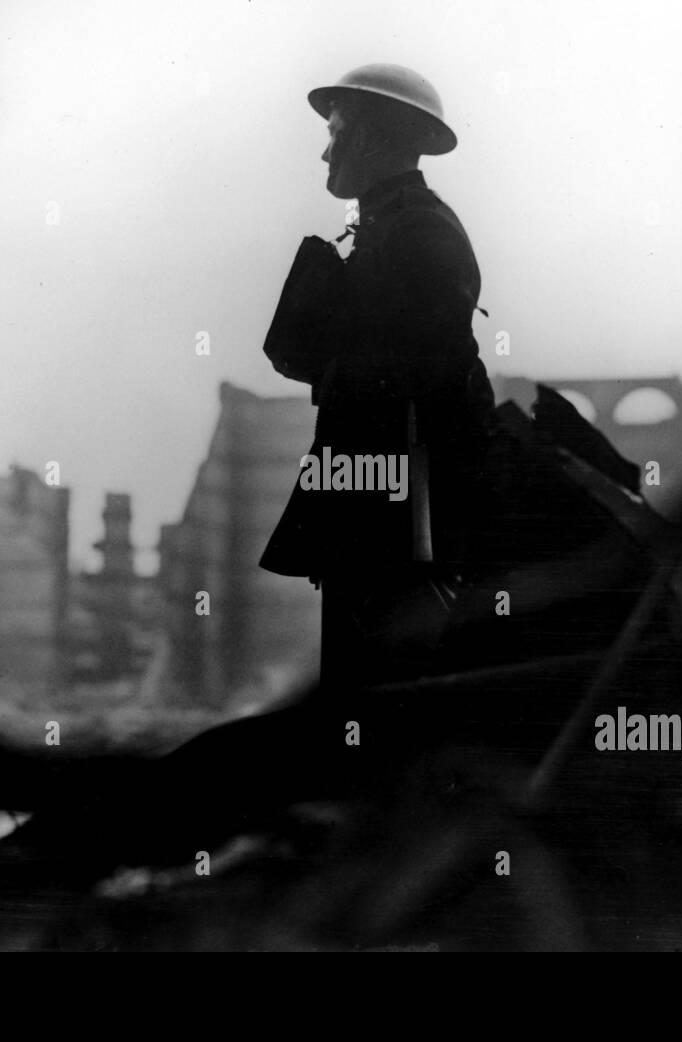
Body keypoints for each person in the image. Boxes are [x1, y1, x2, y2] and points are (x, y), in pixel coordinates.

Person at [261, 64, 494, 688]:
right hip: (373, 496)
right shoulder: (389, 225)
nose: (325, 149)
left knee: (379, 680)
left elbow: (432, 379)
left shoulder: (419, 230)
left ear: (368, 138)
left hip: (398, 507)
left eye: (336, 133)